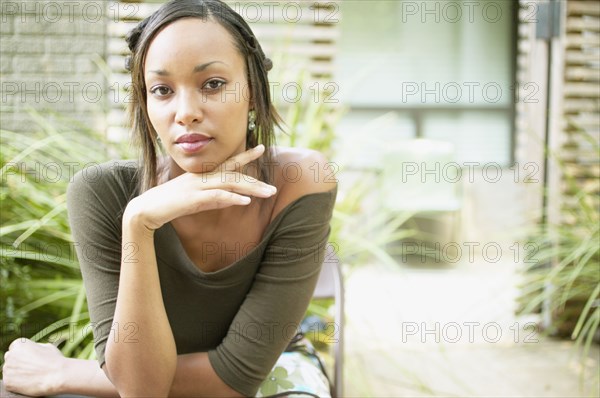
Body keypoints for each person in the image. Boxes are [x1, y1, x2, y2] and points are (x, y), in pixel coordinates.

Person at [2, 0, 337, 396]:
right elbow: (140, 389)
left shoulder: (301, 180)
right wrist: (139, 224)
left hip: (275, 375)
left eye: (213, 84)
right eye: (161, 90)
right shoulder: (102, 192)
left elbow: (237, 378)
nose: (186, 112)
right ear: (145, 106)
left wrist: (64, 372)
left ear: (253, 92)